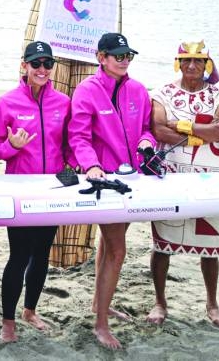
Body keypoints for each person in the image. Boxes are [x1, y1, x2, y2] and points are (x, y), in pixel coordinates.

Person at [67, 32, 154, 350]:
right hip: (104, 182)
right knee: (118, 250)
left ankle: (98, 306)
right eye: (118, 55)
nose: (124, 60)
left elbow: (146, 128)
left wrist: (147, 142)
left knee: (110, 241)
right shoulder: (87, 91)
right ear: (100, 57)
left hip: (133, 180)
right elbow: (78, 136)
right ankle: (101, 324)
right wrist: (90, 165)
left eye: (128, 55)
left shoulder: (138, 90)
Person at [0, 40, 71, 343]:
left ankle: (30, 310)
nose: (43, 69)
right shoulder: (8, 102)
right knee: (19, 255)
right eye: (36, 64)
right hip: (20, 191)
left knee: (42, 254)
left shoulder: (63, 101)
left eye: (48, 64)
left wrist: (72, 167)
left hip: (51, 190)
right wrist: (13, 147)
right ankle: (8, 321)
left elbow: (69, 144)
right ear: (24, 66)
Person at [145, 40, 219, 329]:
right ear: (178, 62)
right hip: (172, 173)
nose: (192, 66)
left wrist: (182, 126)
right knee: (163, 244)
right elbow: (158, 128)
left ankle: (212, 303)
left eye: (199, 60)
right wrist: (203, 133)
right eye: (187, 60)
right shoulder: (163, 93)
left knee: (212, 245)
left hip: (212, 175)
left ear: (207, 64)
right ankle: (160, 301)